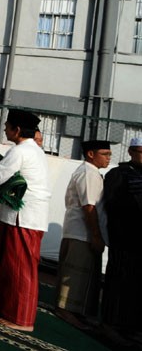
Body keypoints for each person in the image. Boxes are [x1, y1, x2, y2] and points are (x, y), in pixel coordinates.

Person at [0, 109, 50, 332]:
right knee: (4, 261)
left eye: (7, 125)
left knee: (21, 268)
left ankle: (22, 319)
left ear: (16, 130)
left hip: (23, 219)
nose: (4, 129)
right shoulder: (33, 150)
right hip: (22, 218)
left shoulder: (21, 151)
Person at [54, 139, 110, 329]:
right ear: (91, 154)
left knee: (83, 276)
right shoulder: (89, 173)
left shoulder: (90, 172)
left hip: (79, 230)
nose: (108, 158)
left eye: (109, 154)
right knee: (76, 274)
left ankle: (76, 312)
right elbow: (89, 206)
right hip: (81, 232)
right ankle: (66, 310)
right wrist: (95, 235)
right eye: (105, 154)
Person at [102, 137, 142, 345]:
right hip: (124, 241)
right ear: (131, 152)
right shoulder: (117, 175)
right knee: (119, 284)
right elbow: (112, 205)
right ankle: (112, 326)